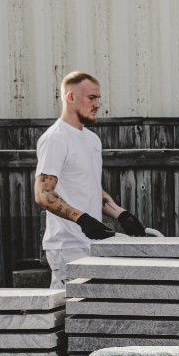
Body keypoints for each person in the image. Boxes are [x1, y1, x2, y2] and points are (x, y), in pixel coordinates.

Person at [33, 71, 144, 286]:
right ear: (71, 97)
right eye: (91, 98)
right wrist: (82, 219)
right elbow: (43, 193)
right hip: (68, 246)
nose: (97, 104)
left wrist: (121, 215)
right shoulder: (55, 138)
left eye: (98, 98)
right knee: (70, 305)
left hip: (91, 242)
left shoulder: (92, 140)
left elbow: (89, 187)